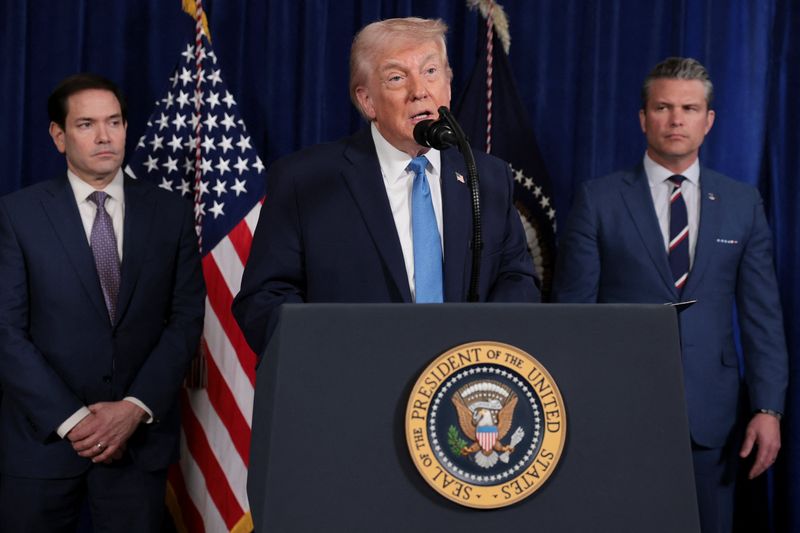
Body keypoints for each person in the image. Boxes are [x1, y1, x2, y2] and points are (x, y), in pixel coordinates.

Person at [552, 57, 788, 532]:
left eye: (688, 108)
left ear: (709, 121)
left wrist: (768, 409)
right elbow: (572, 316)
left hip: (712, 419)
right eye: (663, 107)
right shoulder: (598, 200)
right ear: (643, 118)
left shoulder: (742, 203)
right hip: (617, 410)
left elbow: (762, 317)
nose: (676, 119)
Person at [233, 17, 539, 355]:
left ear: (448, 86)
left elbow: (517, 280)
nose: (419, 90)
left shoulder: (488, 177)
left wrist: (479, 350)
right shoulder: (304, 181)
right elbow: (264, 300)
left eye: (431, 72)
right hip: (352, 391)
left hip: (460, 388)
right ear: (367, 102)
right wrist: (335, 357)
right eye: (397, 77)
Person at [0, 73, 205, 531]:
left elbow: (186, 318)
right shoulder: (17, 216)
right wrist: (73, 420)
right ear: (59, 135)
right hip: (42, 444)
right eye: (86, 124)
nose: (104, 136)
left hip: (138, 445)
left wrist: (134, 406)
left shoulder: (170, 213)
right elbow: (5, 331)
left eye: (114, 122)